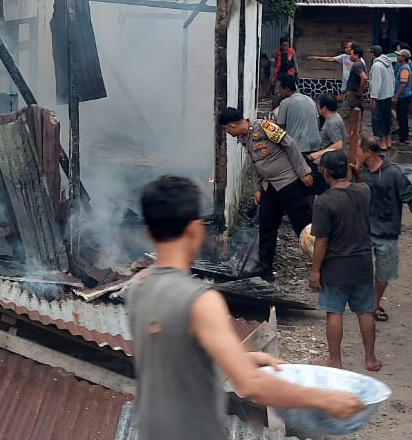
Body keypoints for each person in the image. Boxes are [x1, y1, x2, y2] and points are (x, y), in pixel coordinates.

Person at [125, 175, 363, 440]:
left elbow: (175, 360)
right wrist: (325, 399)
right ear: (195, 229)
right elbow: (250, 386)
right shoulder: (201, 300)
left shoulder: (137, 288)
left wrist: (242, 359)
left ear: (148, 232)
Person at [219, 107, 315, 281]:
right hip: (269, 186)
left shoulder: (264, 127)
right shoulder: (244, 138)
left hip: (289, 182)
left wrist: (303, 172)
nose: (227, 133)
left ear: (232, 125)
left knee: (304, 226)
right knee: (267, 225)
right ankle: (265, 268)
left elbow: (290, 144)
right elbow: (256, 163)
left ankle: (321, 265)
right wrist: (258, 188)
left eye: (226, 129)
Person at [309, 150, 380, 371]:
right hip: (363, 263)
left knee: (334, 312)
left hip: (336, 265)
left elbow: (321, 241)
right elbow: (359, 185)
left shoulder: (324, 202)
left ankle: (335, 361)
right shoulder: (364, 191)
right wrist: (357, 174)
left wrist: (315, 271)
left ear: (325, 172)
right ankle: (370, 359)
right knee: (365, 311)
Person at [359, 137, 412, 323]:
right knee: (359, 266)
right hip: (364, 229)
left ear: (368, 152)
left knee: (384, 271)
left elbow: (411, 199)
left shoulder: (394, 174)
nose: (355, 153)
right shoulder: (358, 172)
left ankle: (375, 302)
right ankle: (365, 300)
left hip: (387, 230)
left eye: (358, 150)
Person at [274, 78, 320, 157]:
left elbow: (280, 126)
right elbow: (317, 120)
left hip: (297, 146)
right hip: (314, 145)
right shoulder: (310, 100)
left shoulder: (285, 103)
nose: (279, 92)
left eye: (280, 89)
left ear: (287, 89)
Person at [367, 46, 396, 151]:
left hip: (380, 97)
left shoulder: (377, 66)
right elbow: (393, 79)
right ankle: (388, 141)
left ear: (373, 53)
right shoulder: (388, 64)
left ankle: (383, 142)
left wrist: (373, 98)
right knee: (387, 119)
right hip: (388, 95)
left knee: (379, 120)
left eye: (370, 53)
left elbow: (376, 83)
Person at [310, 94, 345, 164]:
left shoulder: (332, 122)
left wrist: (318, 154)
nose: (317, 107)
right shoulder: (334, 116)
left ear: (324, 108)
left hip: (333, 159)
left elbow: (338, 145)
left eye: (319, 105)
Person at [393, 50, 412, 146]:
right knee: (402, 118)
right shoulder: (404, 67)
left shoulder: (405, 69)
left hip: (403, 96)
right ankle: (403, 137)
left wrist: (396, 96)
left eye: (399, 55)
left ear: (403, 57)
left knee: (402, 118)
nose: (397, 57)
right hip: (404, 95)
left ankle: (403, 138)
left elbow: (403, 84)